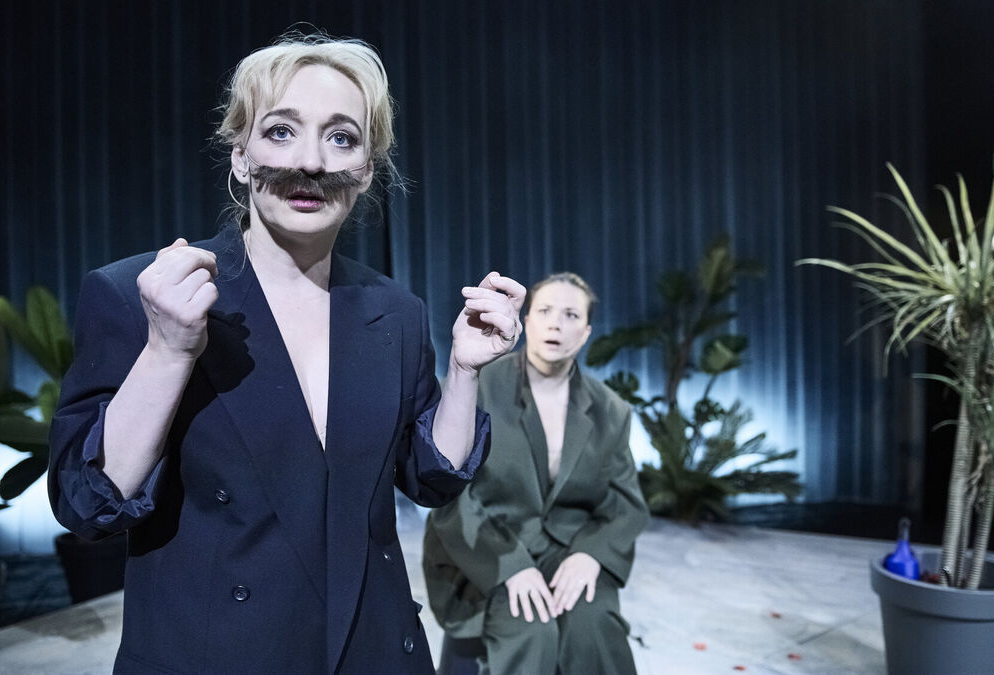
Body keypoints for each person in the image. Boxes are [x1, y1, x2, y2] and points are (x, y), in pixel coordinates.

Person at [48, 33, 525, 674]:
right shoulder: (142, 295)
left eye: (341, 138)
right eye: (281, 131)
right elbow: (88, 507)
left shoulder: (395, 311)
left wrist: (464, 371)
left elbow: (429, 480)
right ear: (240, 157)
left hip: (373, 652)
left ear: (367, 170)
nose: (311, 162)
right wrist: (167, 350)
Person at [422, 272, 650, 675]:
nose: (555, 324)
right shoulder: (476, 384)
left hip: (568, 551)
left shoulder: (610, 410)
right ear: (526, 320)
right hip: (486, 549)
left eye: (571, 315)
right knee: (530, 630)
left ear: (586, 332)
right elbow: (451, 493)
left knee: (595, 625)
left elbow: (624, 504)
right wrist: (512, 566)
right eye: (544, 311)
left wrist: (591, 554)